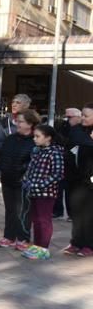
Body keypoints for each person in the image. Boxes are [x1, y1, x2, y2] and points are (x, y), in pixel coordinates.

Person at [20, 125, 66, 261]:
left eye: (37, 136)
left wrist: (40, 185)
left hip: (46, 193)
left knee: (43, 220)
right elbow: (31, 169)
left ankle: (43, 248)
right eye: (34, 136)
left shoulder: (55, 153)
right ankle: (37, 245)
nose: (34, 139)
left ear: (48, 138)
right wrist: (26, 180)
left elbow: (58, 174)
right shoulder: (38, 151)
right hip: (34, 191)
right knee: (36, 220)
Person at [0, 109, 39, 250]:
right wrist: (1, 166)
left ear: (30, 124)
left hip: (23, 183)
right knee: (10, 210)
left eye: (20, 121)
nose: (17, 124)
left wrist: (23, 171)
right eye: (17, 121)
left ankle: (23, 239)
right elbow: (1, 155)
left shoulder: (35, 141)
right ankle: (9, 236)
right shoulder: (10, 138)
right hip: (7, 179)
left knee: (23, 211)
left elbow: (34, 162)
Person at [62, 105, 93, 256]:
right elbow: (69, 148)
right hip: (73, 178)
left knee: (88, 213)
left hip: (89, 181)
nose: (83, 118)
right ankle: (76, 242)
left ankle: (89, 245)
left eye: (87, 116)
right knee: (75, 211)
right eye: (83, 115)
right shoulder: (77, 131)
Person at [53, 108, 82, 219]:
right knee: (60, 188)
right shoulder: (64, 127)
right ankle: (58, 211)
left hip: (74, 165)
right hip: (63, 162)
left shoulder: (82, 130)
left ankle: (72, 214)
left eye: (69, 117)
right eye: (66, 117)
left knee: (71, 190)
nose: (67, 119)